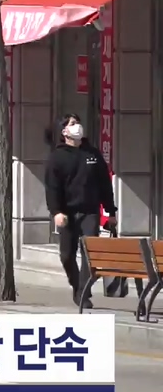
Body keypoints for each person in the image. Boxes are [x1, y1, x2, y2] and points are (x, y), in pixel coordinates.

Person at [44, 114, 117, 309]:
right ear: (64, 131)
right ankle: (77, 286)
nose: (78, 126)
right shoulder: (57, 157)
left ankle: (84, 292)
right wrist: (56, 212)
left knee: (88, 252)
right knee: (67, 255)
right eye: (73, 124)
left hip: (90, 211)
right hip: (67, 213)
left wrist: (110, 211)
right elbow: (52, 188)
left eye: (78, 123)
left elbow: (104, 184)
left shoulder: (92, 154)